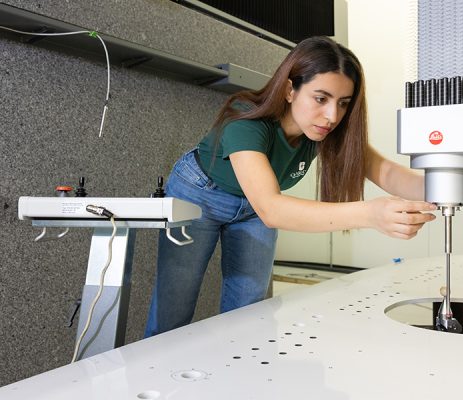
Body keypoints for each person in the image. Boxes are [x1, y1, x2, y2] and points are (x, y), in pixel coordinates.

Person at [144, 36, 437, 337]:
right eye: (321, 99)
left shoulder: (325, 132)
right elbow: (271, 208)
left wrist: (444, 183)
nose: (332, 116)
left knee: (249, 308)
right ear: (289, 90)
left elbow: (385, 172)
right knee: (174, 306)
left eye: (343, 103)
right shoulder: (245, 120)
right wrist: (372, 214)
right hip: (199, 196)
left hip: (253, 208)